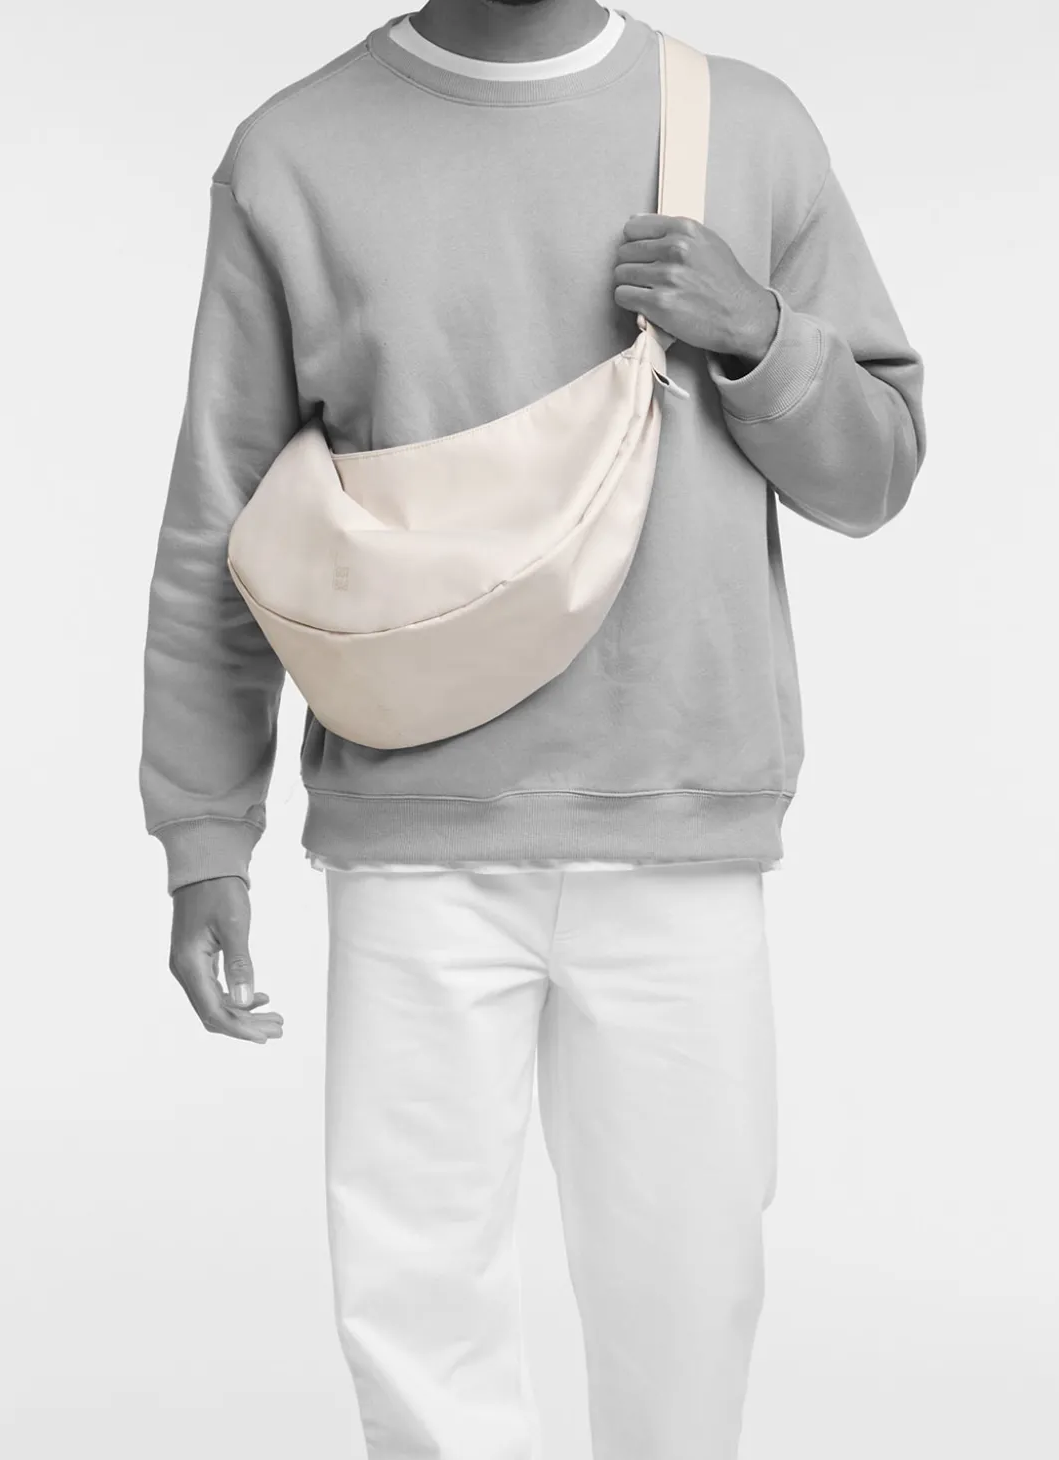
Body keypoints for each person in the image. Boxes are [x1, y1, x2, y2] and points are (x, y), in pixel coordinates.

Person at [139, 2, 925, 1455]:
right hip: (411, 842)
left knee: (687, 1309)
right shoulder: (293, 153)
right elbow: (220, 519)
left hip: (682, 825)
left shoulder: (747, 127)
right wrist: (204, 834)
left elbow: (876, 478)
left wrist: (760, 334)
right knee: (413, 1308)